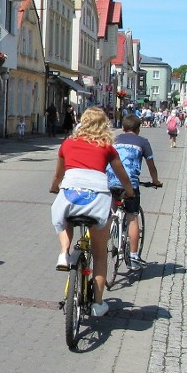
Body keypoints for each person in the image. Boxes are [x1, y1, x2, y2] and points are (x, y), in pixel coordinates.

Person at [49, 107, 134, 317]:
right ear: (104, 125)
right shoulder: (107, 147)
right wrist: (129, 191)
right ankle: (97, 304)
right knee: (99, 255)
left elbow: (59, 174)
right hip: (97, 201)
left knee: (63, 218)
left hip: (70, 196)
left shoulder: (67, 143)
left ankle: (64, 253)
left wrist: (54, 187)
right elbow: (121, 173)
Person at [106, 114, 163, 270]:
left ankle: (106, 237)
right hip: (129, 185)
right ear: (138, 129)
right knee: (132, 217)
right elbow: (151, 166)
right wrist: (156, 181)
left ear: (123, 128)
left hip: (110, 181)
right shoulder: (143, 142)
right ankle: (133, 256)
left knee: (111, 212)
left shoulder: (113, 140)